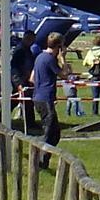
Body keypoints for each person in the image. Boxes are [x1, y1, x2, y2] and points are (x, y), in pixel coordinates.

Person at [31, 32, 65, 161]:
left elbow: (32, 78)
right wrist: (63, 59)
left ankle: (45, 158)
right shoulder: (50, 59)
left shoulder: (39, 57)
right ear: (59, 46)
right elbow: (64, 74)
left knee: (55, 133)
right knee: (49, 132)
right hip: (46, 98)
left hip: (38, 96)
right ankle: (40, 159)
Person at [82, 35, 100, 115]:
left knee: (95, 96)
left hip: (93, 76)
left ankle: (94, 112)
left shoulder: (90, 52)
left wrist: (92, 63)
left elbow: (84, 63)